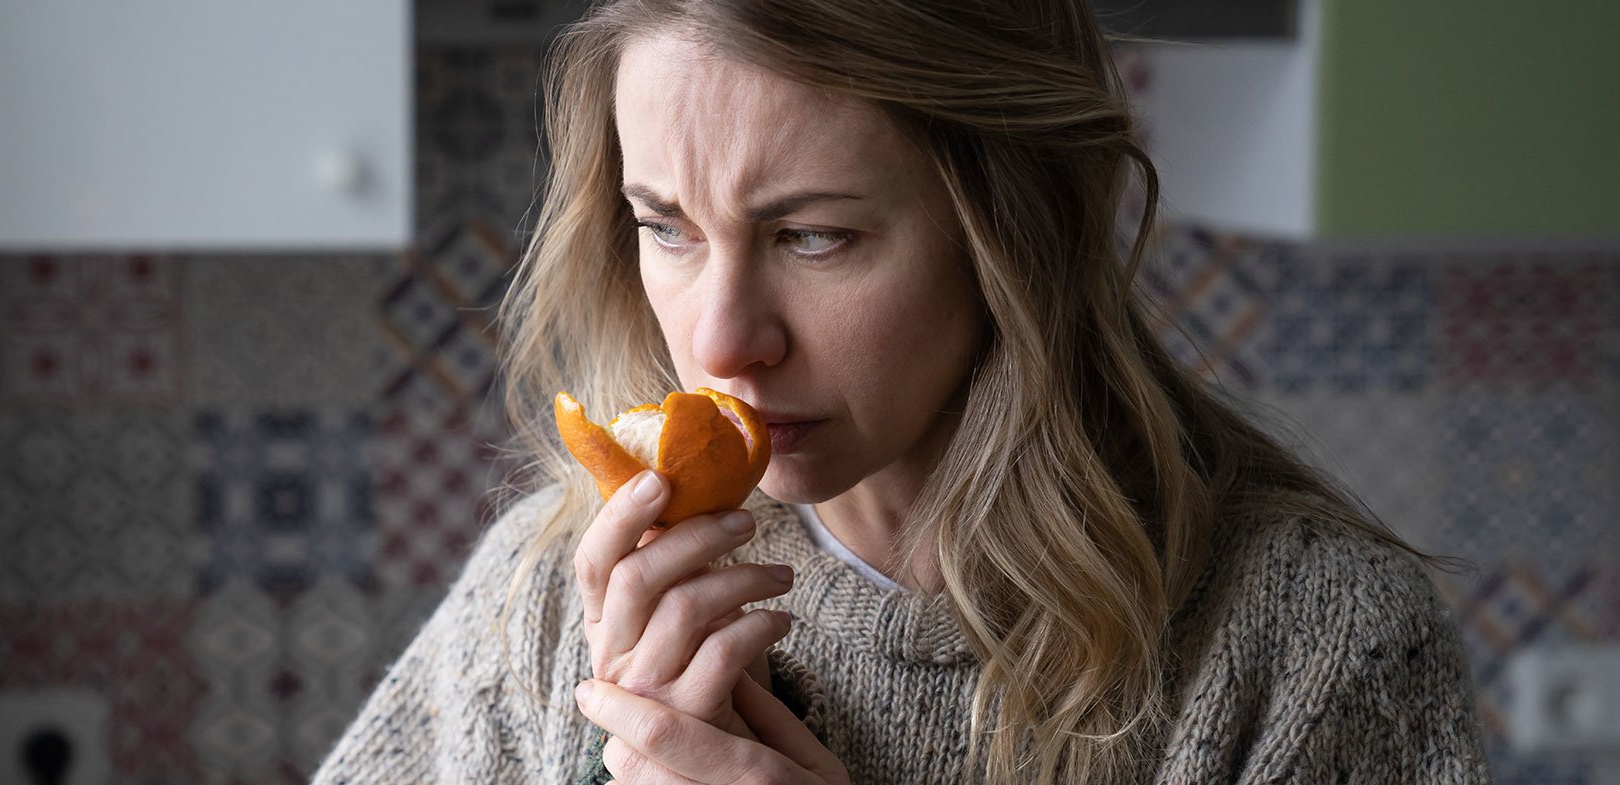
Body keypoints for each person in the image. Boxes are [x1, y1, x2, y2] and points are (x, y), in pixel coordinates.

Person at [314, 0, 1492, 782]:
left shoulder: (1309, 645)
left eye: (815, 237)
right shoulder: (545, 599)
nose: (723, 340)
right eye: (664, 227)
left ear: (1014, 231)